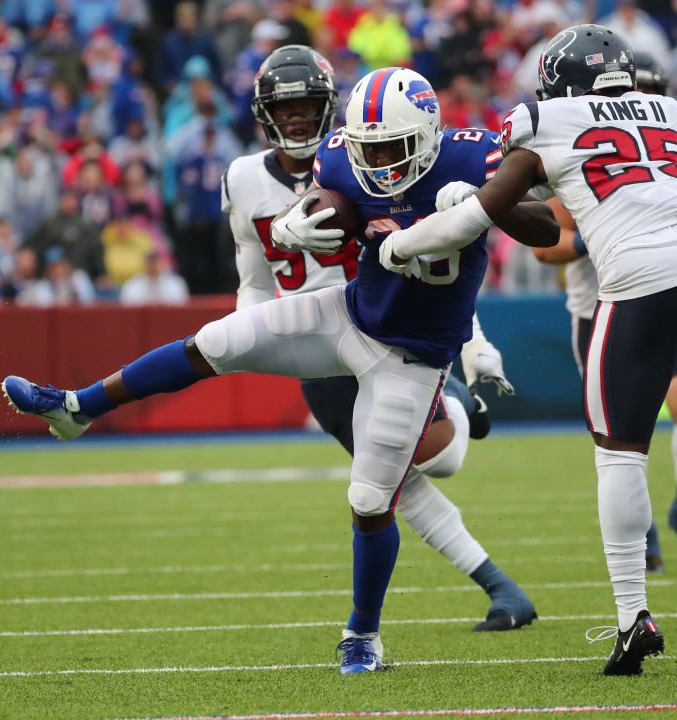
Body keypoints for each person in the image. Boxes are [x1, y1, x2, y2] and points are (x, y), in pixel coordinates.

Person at [0, 65, 558, 676]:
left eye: (390, 148)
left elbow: (547, 227)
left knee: (371, 498)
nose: (377, 161)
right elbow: (331, 202)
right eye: (367, 147)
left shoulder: (470, 157)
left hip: (413, 359)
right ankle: (78, 407)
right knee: (215, 341)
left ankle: (363, 635)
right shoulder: (342, 159)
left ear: (426, 135)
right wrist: (302, 219)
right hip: (349, 315)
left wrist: (485, 208)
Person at [374, 25, 677, 676]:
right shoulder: (672, 113)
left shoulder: (544, 118)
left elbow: (477, 217)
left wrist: (399, 246)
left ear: (561, 83)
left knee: (618, 453)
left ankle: (633, 619)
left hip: (638, 287)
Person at [225, 45, 537, 636]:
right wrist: (248, 341)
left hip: (387, 330)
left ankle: (462, 413)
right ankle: (502, 589)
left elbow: (438, 268)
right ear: (263, 114)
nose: (295, 121)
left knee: (438, 458)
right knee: (384, 488)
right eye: (283, 110)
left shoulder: (375, 155)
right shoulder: (242, 178)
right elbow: (253, 280)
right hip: (314, 341)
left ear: (331, 108)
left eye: (306, 107)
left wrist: (470, 344)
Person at [530, 53, 677, 573]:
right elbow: (546, 244)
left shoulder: (674, 133)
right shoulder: (578, 144)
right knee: (622, 431)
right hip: (603, 302)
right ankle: (644, 529)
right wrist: (604, 238)